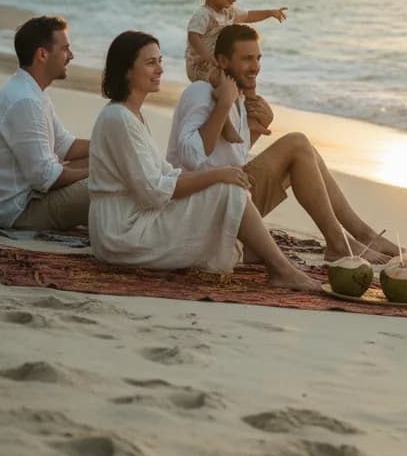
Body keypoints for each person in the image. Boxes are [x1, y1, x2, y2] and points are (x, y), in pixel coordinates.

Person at [88, 29, 317, 290]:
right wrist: (218, 176)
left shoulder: (131, 116)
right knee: (229, 190)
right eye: (151, 63)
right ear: (127, 70)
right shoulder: (119, 119)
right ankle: (282, 271)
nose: (160, 69)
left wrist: (223, 172)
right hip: (122, 234)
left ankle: (278, 264)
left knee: (229, 208)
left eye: (160, 61)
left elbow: (165, 175)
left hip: (131, 224)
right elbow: (153, 191)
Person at [167, 23, 400, 264]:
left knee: (307, 152)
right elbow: (192, 157)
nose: (255, 67)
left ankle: (364, 236)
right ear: (223, 61)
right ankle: (339, 243)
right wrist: (225, 104)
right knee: (297, 144)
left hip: (228, 198)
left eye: (258, 58)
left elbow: (226, 157)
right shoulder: (201, 92)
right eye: (247, 59)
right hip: (201, 210)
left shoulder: (236, 97)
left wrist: (255, 128)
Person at [0, 16, 90, 230]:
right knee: (113, 183)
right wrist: (99, 171)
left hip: (31, 195)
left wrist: (112, 147)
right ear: (42, 54)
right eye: (65, 49)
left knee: (110, 159)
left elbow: (65, 145)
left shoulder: (33, 92)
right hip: (19, 211)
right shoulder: (24, 100)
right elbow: (46, 178)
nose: (71, 56)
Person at [185, 0, 288, 145]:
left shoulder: (229, 12)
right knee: (222, 83)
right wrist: (206, 56)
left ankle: (252, 119)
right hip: (200, 65)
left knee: (249, 81)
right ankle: (227, 127)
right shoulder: (203, 14)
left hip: (218, 62)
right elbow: (193, 36)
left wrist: (270, 12)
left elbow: (249, 15)